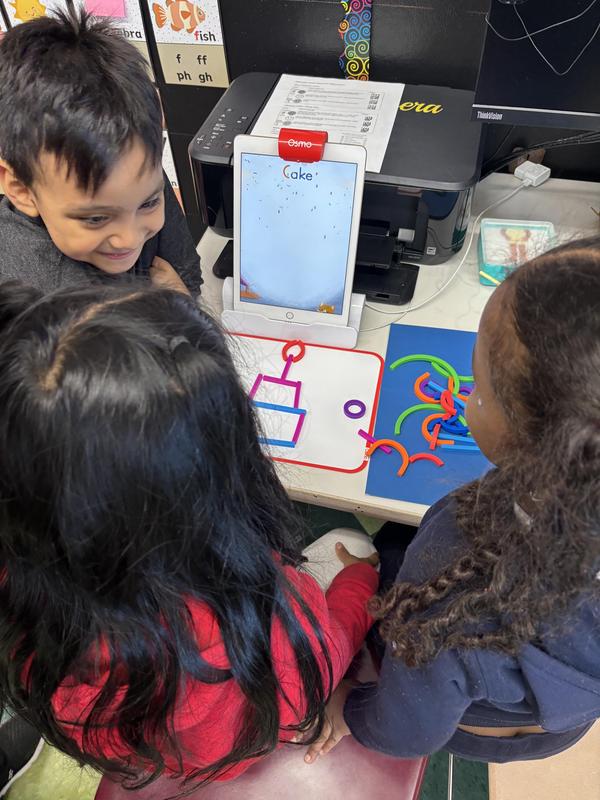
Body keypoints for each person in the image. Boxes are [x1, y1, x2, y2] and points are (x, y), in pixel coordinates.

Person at [0, 281, 378, 792]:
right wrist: (359, 584)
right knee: (355, 544)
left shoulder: (20, 599)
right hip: (233, 746)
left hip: (142, 749)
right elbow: (323, 659)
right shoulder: (260, 619)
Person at [306, 236, 600, 764]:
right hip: (559, 722)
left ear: (534, 439)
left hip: (459, 723)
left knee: (385, 547)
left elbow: (406, 729)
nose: (466, 397)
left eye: (479, 387)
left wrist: (351, 708)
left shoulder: (456, 570)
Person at [0, 6, 201, 296]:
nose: (128, 239)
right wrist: (178, 304)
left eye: (148, 204)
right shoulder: (48, 298)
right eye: (95, 219)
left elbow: (188, 276)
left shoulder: (132, 178)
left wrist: (182, 299)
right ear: (21, 190)